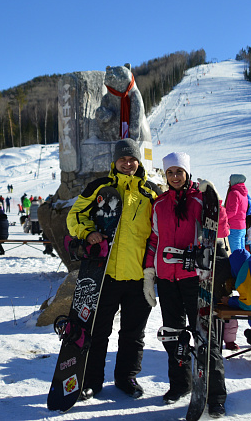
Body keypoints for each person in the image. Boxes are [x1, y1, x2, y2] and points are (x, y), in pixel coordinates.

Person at [67, 138, 160, 401]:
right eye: (123, 159)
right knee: (98, 332)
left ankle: (127, 378)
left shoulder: (149, 193)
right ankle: (92, 381)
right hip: (104, 274)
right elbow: (74, 216)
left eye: (132, 159)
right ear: (115, 162)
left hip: (139, 276)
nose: (128, 163)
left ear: (138, 162)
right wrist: (89, 232)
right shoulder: (100, 188)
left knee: (133, 334)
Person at [142, 152, 227, 415]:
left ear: (187, 173)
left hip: (195, 279)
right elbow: (154, 240)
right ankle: (180, 385)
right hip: (167, 279)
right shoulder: (160, 204)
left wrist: (215, 200)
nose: (175, 176)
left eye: (179, 172)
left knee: (205, 336)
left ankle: (215, 395)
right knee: (173, 334)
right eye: (170, 173)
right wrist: (149, 273)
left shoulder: (200, 199)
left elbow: (220, 229)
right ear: (165, 176)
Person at [224, 174, 249, 252]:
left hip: (234, 226)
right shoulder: (244, 194)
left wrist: (222, 217)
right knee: (242, 251)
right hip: (242, 226)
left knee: (236, 253)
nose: (229, 182)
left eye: (230, 180)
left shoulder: (234, 193)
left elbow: (232, 211)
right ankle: (244, 264)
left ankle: (238, 264)